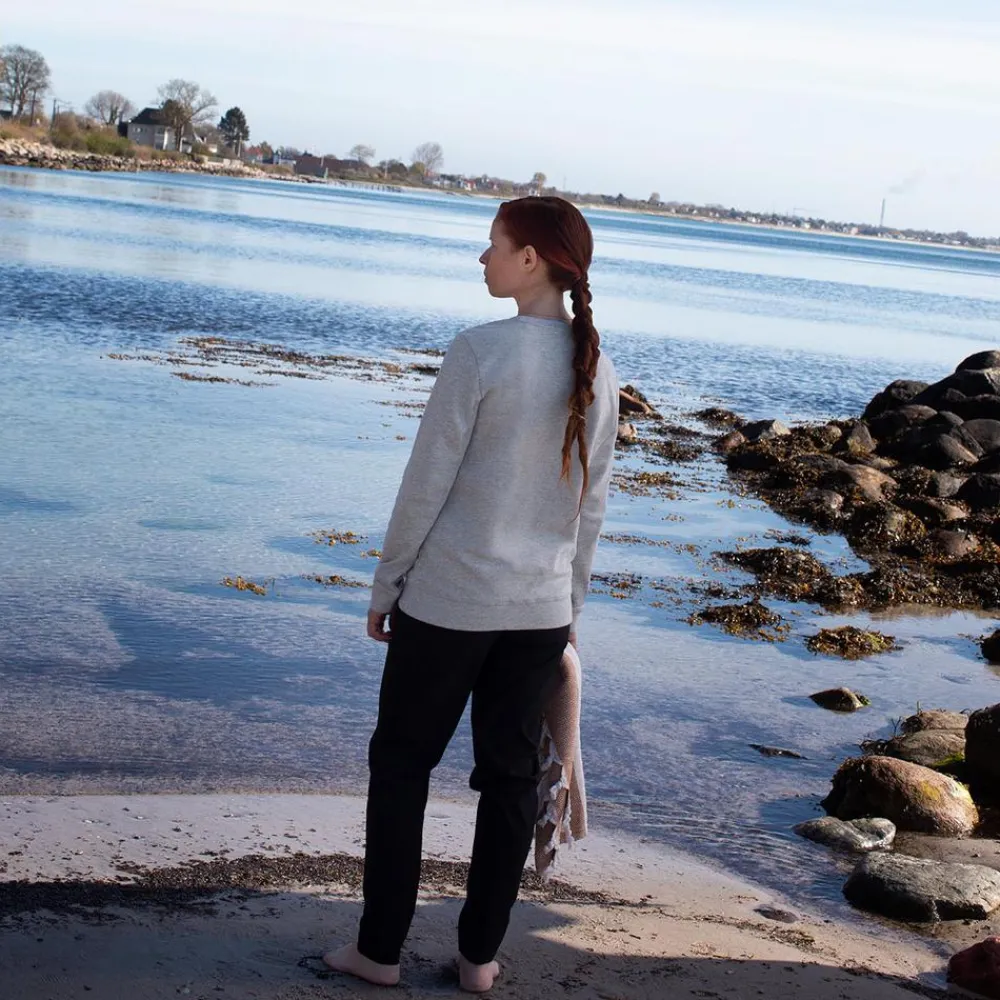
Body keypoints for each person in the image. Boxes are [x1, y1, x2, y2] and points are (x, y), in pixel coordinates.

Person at [324, 196, 619, 993]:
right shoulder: (598, 366)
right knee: (511, 781)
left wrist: (387, 582)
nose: (482, 258)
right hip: (539, 611)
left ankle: (379, 951)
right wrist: (570, 610)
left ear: (530, 259)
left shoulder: (479, 351)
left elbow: (426, 483)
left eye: (493, 244)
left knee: (402, 766)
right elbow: (590, 508)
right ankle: (479, 958)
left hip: (450, 602)